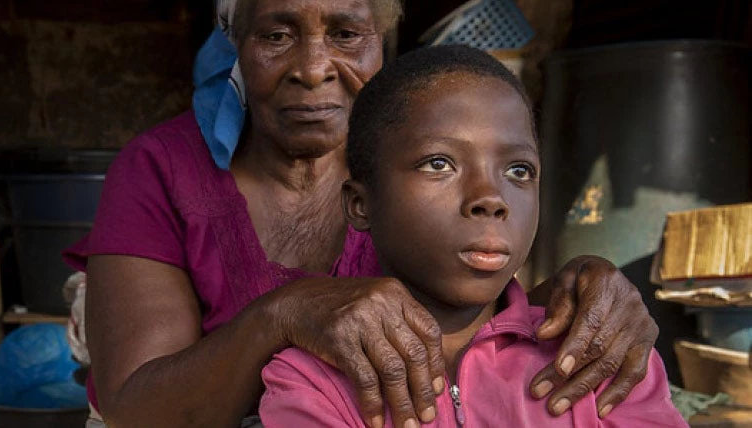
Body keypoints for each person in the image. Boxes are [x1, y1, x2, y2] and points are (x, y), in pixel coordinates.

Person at [64, 0, 659, 427]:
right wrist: (287, 313)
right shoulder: (163, 170)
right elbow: (134, 408)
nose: (314, 68)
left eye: (346, 34)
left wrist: (583, 294)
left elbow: (483, 335)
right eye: (276, 34)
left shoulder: (421, 165)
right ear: (235, 41)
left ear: (382, 42)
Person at [258, 45, 685, 427]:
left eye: (519, 171)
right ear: (360, 204)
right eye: (439, 164)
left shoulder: (596, 353)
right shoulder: (314, 381)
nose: (490, 198)